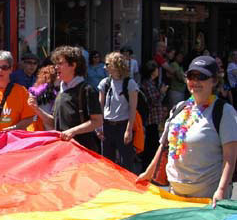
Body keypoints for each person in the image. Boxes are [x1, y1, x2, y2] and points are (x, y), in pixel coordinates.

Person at [138, 56, 237, 206]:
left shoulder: (224, 112)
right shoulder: (179, 108)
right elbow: (164, 146)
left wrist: (221, 190)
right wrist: (148, 174)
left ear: (214, 81)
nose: (195, 82)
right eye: (191, 76)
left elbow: (230, 157)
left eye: (202, 77)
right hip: (173, 196)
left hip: (207, 199)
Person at [28, 46, 103, 153]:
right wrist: (36, 109)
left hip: (82, 152)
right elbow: (54, 122)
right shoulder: (61, 91)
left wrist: (72, 131)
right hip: (64, 151)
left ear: (73, 65)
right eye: (55, 64)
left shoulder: (87, 90)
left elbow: (97, 121)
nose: (56, 67)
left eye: (60, 63)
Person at [98, 51, 139, 172]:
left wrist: (129, 129)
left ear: (116, 65)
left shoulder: (130, 83)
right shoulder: (104, 83)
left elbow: (133, 108)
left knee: (126, 162)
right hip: (107, 125)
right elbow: (100, 106)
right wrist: (99, 127)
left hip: (123, 125)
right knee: (107, 163)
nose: (104, 67)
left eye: (107, 64)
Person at [138, 61, 167, 171]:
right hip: (151, 118)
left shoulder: (149, 83)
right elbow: (155, 101)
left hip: (152, 118)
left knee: (152, 143)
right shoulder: (148, 84)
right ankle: (149, 168)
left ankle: (149, 167)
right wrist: (162, 92)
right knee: (152, 144)